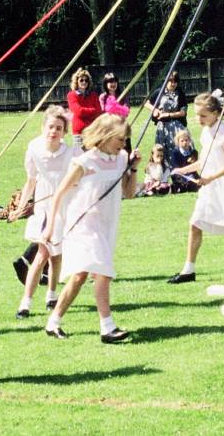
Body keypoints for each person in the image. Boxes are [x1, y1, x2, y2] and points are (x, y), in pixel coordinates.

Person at [43, 114, 138, 343]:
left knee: (79, 276)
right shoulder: (85, 161)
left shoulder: (122, 158)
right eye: (120, 139)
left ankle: (53, 321)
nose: (123, 144)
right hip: (84, 224)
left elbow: (129, 193)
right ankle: (107, 327)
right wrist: (50, 227)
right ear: (106, 135)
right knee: (103, 272)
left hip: (107, 224)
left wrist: (133, 169)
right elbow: (59, 193)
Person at [168, 92, 224, 284]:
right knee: (195, 223)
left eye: (203, 115)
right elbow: (205, 160)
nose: (198, 119)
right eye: (197, 115)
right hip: (210, 187)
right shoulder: (206, 132)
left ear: (216, 113)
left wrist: (211, 177)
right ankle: (188, 270)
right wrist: (184, 168)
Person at [15, 107, 75, 318]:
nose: (54, 131)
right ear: (43, 128)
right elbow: (31, 180)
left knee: (56, 257)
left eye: (59, 128)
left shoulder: (71, 152)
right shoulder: (33, 149)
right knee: (41, 254)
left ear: (64, 131)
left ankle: (51, 295)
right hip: (43, 209)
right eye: (50, 127)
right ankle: (25, 304)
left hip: (64, 208)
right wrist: (21, 207)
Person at [145, 71, 188, 167]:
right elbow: (146, 103)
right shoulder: (159, 92)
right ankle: (163, 176)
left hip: (176, 126)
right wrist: (154, 110)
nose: (173, 84)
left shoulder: (180, 93)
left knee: (178, 150)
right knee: (162, 152)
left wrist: (168, 115)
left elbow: (183, 112)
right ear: (166, 81)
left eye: (175, 81)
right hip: (162, 128)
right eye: (170, 81)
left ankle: (179, 174)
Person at [66, 68, 103, 150]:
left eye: (86, 80)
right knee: (80, 158)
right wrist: (92, 110)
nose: (84, 82)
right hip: (79, 133)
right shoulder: (71, 95)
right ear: (76, 81)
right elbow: (78, 111)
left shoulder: (93, 95)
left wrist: (85, 111)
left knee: (93, 158)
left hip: (92, 131)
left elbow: (99, 112)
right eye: (81, 80)